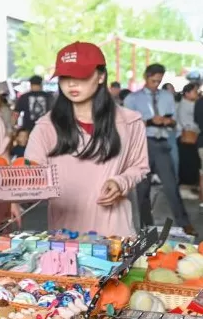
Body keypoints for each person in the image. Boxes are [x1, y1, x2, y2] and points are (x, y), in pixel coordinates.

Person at [23, 42, 149, 236]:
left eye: (80, 76)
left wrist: (120, 182)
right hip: (65, 236)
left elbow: (139, 166)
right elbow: (30, 174)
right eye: (65, 76)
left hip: (115, 233)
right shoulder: (45, 127)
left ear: (101, 76)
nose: (71, 83)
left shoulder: (130, 122)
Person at [126, 63, 196, 236]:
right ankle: (145, 226)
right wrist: (150, 121)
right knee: (143, 189)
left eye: (158, 81)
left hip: (162, 143)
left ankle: (184, 222)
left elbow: (173, 120)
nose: (156, 84)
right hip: (142, 145)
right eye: (153, 81)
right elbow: (127, 125)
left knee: (172, 186)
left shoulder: (167, 96)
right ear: (146, 77)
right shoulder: (133, 99)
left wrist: (167, 122)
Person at [177, 82, 200, 189]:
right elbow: (186, 123)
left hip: (193, 136)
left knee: (193, 163)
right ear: (187, 93)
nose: (197, 93)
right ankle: (186, 187)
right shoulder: (184, 105)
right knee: (188, 163)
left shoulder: (193, 103)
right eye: (195, 91)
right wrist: (198, 127)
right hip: (188, 137)